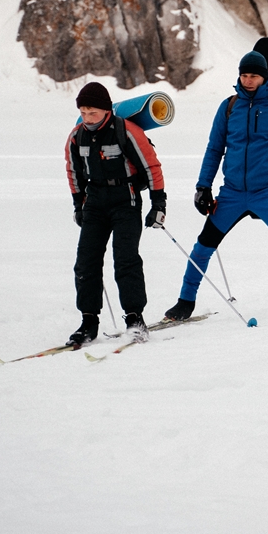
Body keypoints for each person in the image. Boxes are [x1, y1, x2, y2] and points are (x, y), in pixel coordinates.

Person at [165, 50, 268, 319]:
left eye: (253, 76)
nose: (247, 80)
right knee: (202, 247)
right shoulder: (229, 106)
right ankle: (185, 302)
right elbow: (214, 149)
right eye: (243, 75)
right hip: (231, 193)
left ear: (265, 77)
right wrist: (203, 186)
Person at [65, 81, 167, 346]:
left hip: (126, 199)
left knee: (125, 259)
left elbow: (152, 167)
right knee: (86, 262)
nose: (88, 119)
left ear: (107, 111)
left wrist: (159, 205)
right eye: (84, 113)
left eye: (93, 113)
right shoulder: (76, 137)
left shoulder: (127, 131)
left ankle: (135, 320)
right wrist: (78, 205)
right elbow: (73, 172)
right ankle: (89, 322)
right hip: (95, 203)